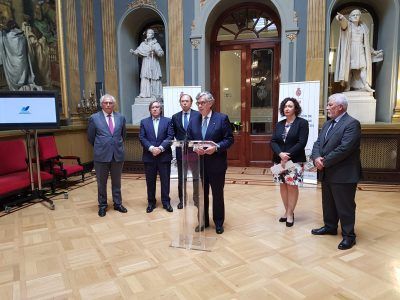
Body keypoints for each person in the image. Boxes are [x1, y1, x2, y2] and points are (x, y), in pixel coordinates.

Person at [311, 93, 361, 250]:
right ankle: (330, 227)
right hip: (327, 172)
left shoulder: (352, 124)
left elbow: (345, 148)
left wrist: (323, 162)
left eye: (330, 105)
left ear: (341, 107)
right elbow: (317, 143)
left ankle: (349, 236)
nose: (327, 107)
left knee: (345, 205)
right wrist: (316, 157)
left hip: (344, 174)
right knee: (328, 203)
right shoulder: (327, 124)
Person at [186, 91, 234, 234]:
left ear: (211, 103)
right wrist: (195, 147)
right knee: (201, 194)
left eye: (202, 103)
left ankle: (218, 223)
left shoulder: (221, 118)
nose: (200, 106)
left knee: (217, 194)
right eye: (198, 103)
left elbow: (229, 139)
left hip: (217, 164)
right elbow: (188, 139)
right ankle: (203, 221)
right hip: (199, 164)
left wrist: (216, 147)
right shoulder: (194, 120)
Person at [271, 97, 309, 227]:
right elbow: (273, 141)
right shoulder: (279, 124)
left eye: (290, 106)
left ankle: (290, 213)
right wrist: (280, 154)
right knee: (283, 186)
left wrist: (287, 155)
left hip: (294, 161)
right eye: (285, 106)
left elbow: (301, 142)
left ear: (295, 108)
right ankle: (287, 211)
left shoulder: (302, 123)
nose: (287, 108)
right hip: (279, 161)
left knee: (292, 186)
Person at [87, 94, 128, 217]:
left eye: (110, 103)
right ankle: (103, 205)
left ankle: (117, 204)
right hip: (101, 155)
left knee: (117, 181)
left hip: (117, 155)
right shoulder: (94, 118)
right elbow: (90, 137)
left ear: (114, 104)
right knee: (101, 182)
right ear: (102, 104)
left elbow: (123, 135)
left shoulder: (121, 117)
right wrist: (102, 146)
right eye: (106, 103)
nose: (108, 105)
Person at [334, 9, 383, 92]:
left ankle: (366, 85)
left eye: (357, 15)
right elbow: (343, 23)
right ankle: (348, 86)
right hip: (351, 49)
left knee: (363, 67)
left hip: (360, 49)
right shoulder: (348, 25)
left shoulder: (363, 27)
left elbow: (366, 43)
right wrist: (340, 18)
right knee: (349, 68)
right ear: (350, 17)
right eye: (354, 15)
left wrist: (373, 51)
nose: (356, 16)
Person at [139, 100, 174, 213]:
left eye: (157, 107)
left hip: (164, 156)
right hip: (149, 157)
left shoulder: (168, 121)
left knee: (165, 181)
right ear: (150, 110)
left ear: (160, 109)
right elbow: (142, 138)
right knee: (150, 181)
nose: (155, 109)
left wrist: (160, 148)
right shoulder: (144, 122)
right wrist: (151, 148)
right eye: (153, 107)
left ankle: (166, 202)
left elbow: (170, 136)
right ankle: (151, 202)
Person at [171, 93, 201, 209]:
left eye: (186, 101)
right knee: (181, 177)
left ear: (191, 102)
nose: (184, 103)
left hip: (194, 151)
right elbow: (173, 134)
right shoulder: (175, 117)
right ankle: (182, 200)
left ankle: (196, 199)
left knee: (195, 176)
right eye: (182, 101)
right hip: (181, 151)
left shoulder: (198, 115)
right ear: (180, 103)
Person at [0, 20, 39, 91]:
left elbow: (4, 42)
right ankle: (23, 84)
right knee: (23, 72)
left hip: (13, 62)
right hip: (23, 62)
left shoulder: (7, 37)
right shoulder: (22, 35)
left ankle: (17, 87)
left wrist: (2, 33)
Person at [129, 28, 164, 98]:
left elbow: (161, 53)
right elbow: (138, 51)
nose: (148, 34)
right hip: (146, 62)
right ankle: (144, 94)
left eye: (150, 33)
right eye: (147, 33)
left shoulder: (156, 44)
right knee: (145, 77)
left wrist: (156, 51)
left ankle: (155, 94)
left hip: (153, 62)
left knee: (155, 77)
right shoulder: (143, 44)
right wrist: (134, 52)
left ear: (153, 35)